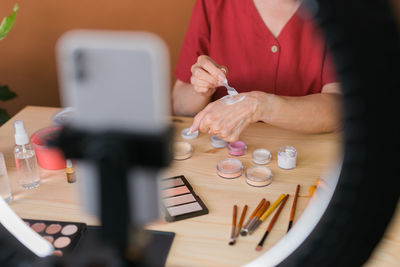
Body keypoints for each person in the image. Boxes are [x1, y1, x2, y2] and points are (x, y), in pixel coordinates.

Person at [172, 0, 342, 142]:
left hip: (306, 155)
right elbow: (180, 106)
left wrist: (260, 106)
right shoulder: (213, 4)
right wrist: (201, 89)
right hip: (225, 158)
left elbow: (340, 110)